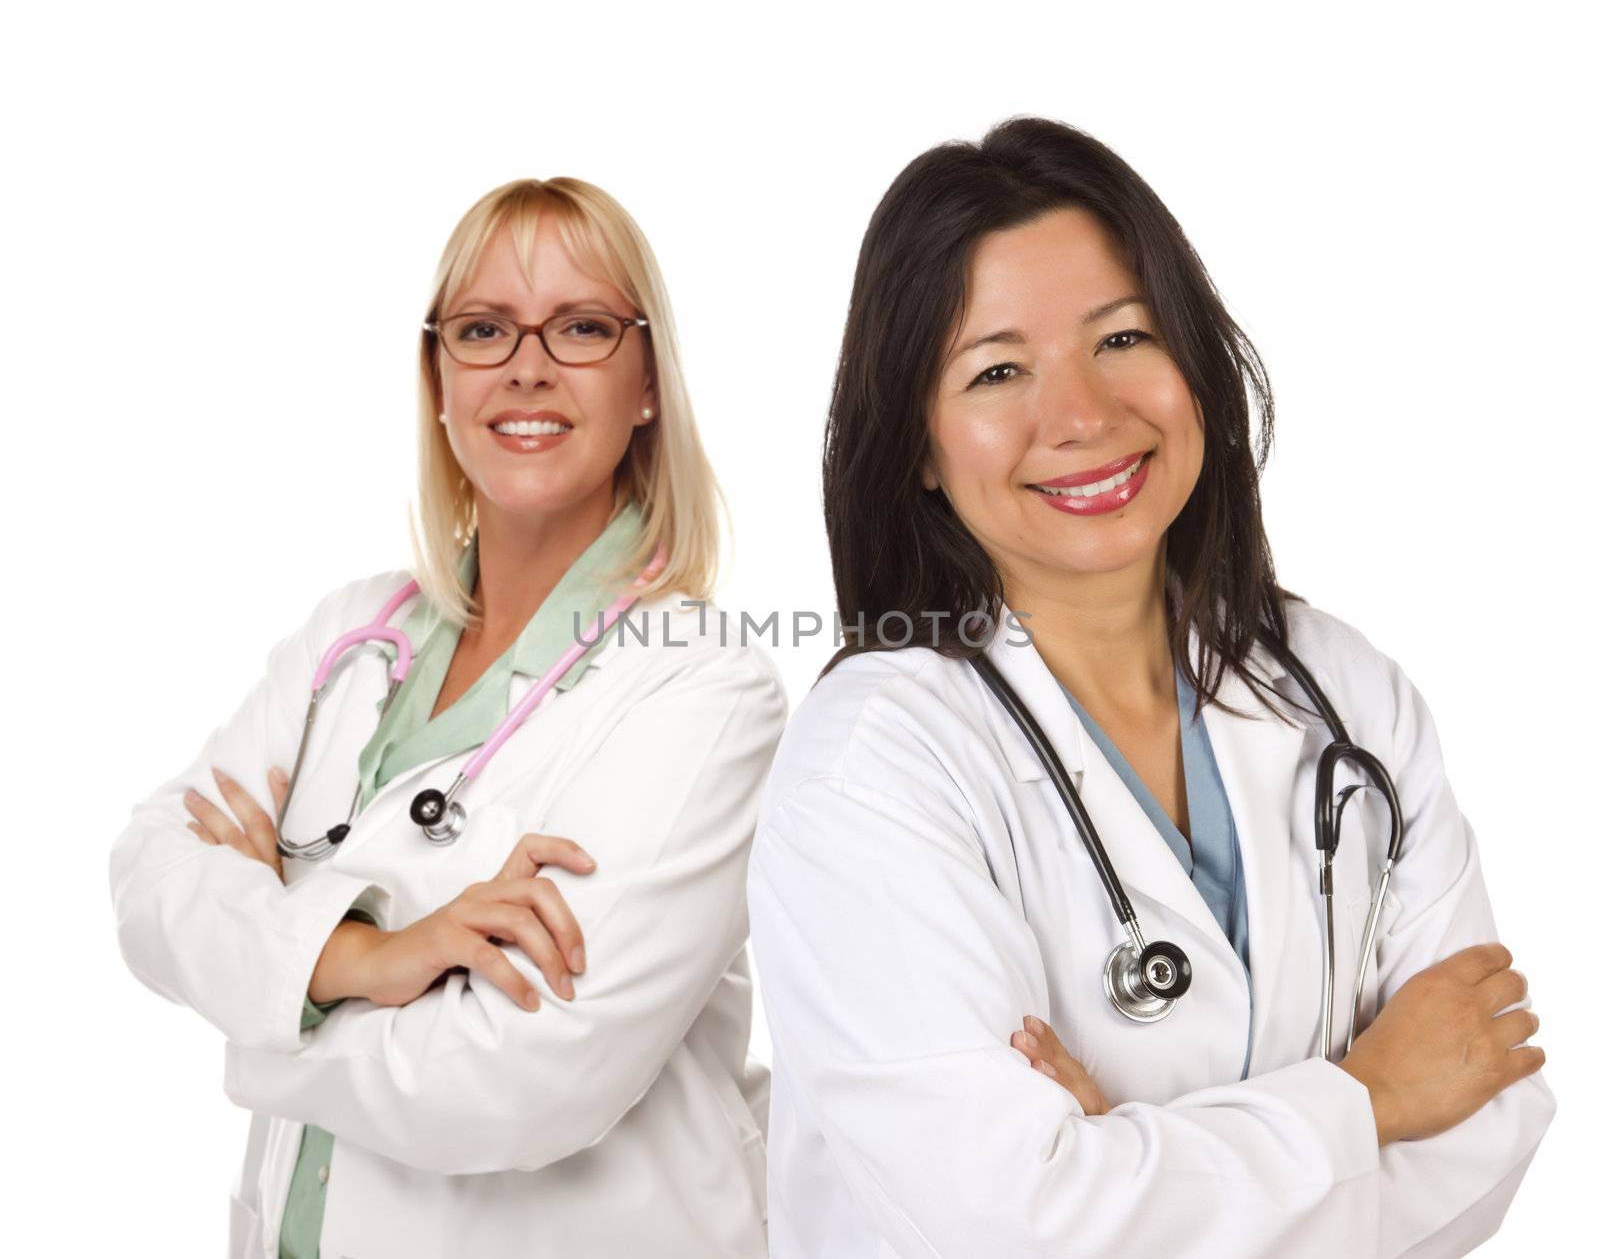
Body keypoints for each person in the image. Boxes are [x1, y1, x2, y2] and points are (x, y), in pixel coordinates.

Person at [746, 117, 1555, 1258]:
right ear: (919, 445)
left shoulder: (1344, 693)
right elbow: (1008, 1224)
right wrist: (1366, 1100)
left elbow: (1488, 1117)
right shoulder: (874, 764)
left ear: (1195, 360)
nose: (1081, 415)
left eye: (1121, 338)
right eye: (997, 369)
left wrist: (1129, 1157)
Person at [110, 176, 786, 1259]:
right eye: (482, 329)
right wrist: (362, 960)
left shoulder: (704, 690)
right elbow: (147, 873)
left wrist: (260, 982)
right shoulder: (352, 636)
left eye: (580, 327)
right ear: (437, 376)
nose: (527, 365)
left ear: (647, 381)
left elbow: (517, 1080)